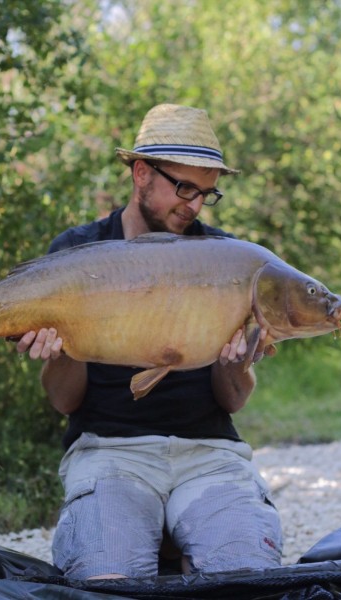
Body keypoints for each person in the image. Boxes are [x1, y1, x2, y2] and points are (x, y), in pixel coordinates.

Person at [17, 104, 283, 579]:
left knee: (246, 574)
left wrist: (234, 362)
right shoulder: (77, 254)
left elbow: (235, 400)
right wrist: (59, 353)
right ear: (141, 173)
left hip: (208, 454)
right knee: (106, 578)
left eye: (207, 193)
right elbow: (63, 399)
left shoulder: (226, 260)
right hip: (109, 452)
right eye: (183, 187)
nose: (195, 206)